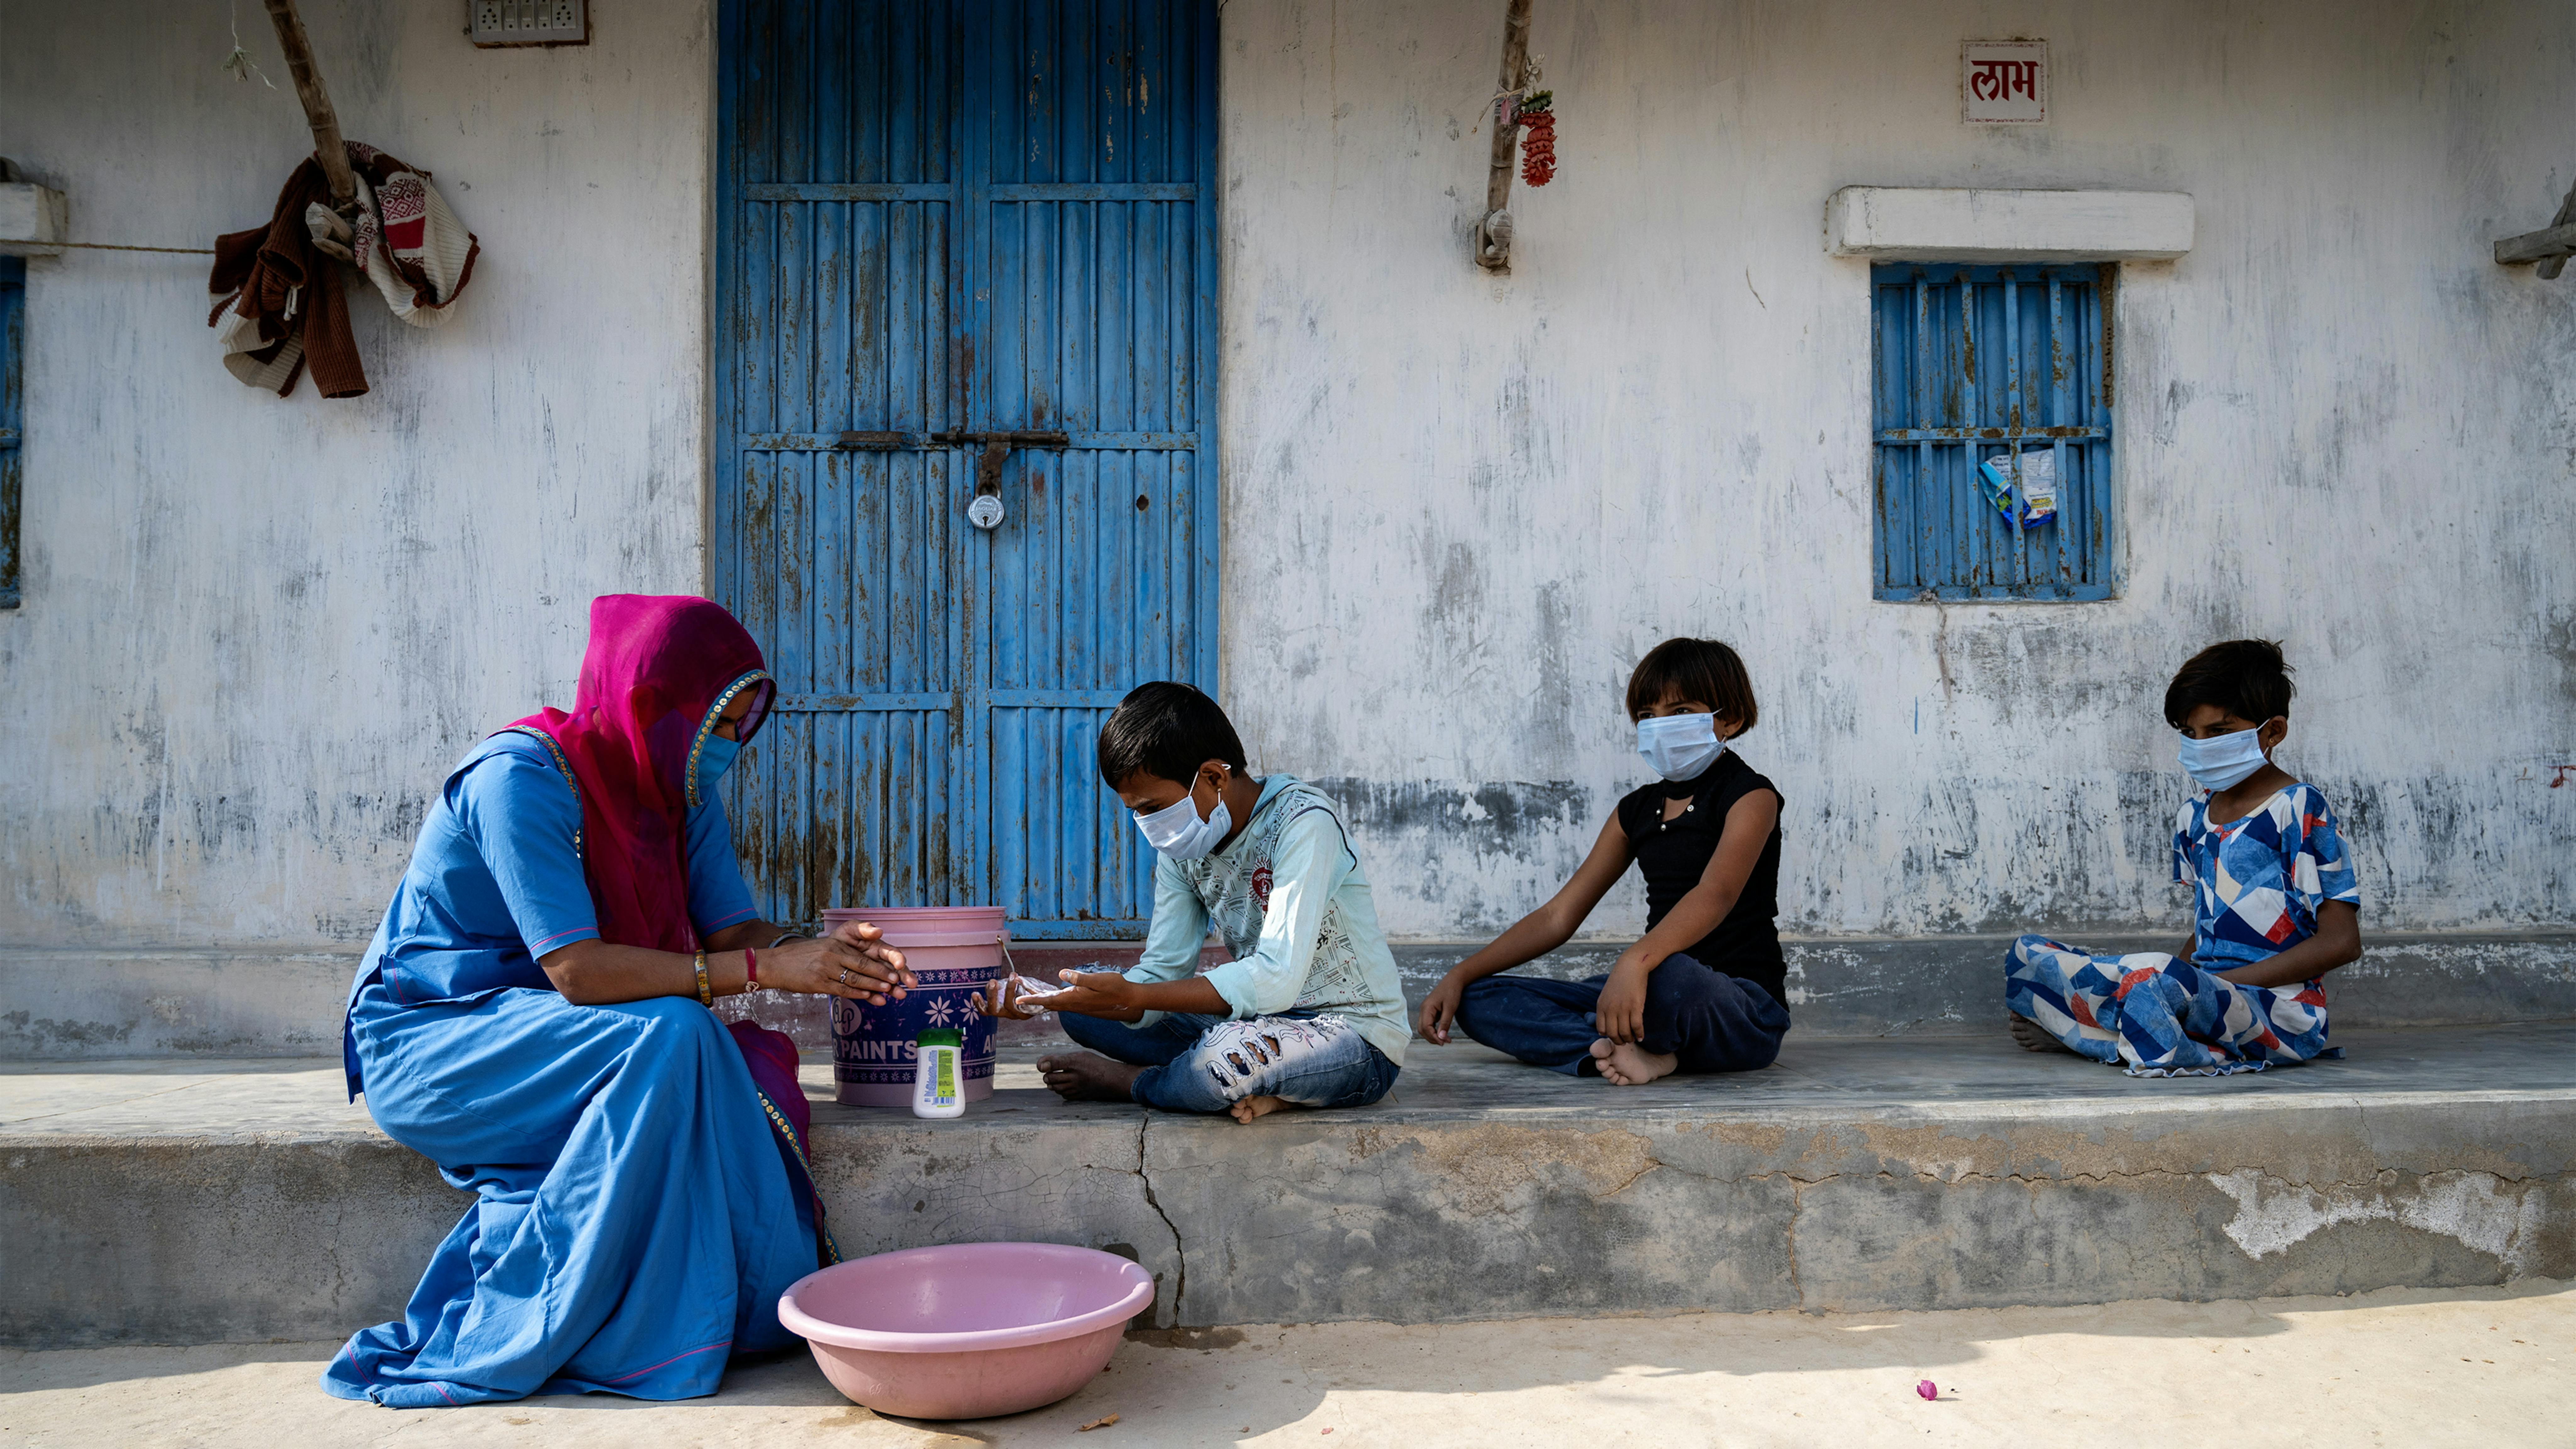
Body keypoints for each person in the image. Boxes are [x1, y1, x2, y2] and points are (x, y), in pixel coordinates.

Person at [324, 594, 916, 1408]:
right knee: (677, 1036)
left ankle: (734, 1312)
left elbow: (732, 929)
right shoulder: (519, 780)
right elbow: (577, 973)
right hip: (437, 1039)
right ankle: (623, 1335)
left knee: (728, 1060)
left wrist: (823, 958)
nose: (729, 748)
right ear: (652, 706)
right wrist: (765, 971)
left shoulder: (677, 797)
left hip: (567, 1038)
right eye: (717, 723)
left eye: (743, 725)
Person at [980, 682, 1406, 1124]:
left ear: (1214, 778)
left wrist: (1137, 994)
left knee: (1224, 1061)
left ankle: (1134, 1082)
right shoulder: (1185, 850)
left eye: (1153, 807)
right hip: (1258, 1024)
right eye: (1136, 812)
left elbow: (1277, 979)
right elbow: (1163, 971)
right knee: (1085, 1004)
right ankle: (1254, 1086)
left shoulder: (1304, 825)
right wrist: (1052, 999)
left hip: (1352, 1037)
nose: (1146, 825)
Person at [1418, 637, 1792, 1085]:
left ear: (1727, 718)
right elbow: (1559, 915)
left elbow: (1716, 894)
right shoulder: (1635, 811)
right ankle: (1621, 1049)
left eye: (1681, 712)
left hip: (1733, 1003)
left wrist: (1636, 962)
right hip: (1651, 983)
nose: (1660, 726)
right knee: (1481, 999)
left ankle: (1655, 1051)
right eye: (1648, 717)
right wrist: (1460, 974)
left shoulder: (1750, 796)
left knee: (1673, 975)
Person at [2003, 639, 2362, 1076]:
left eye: (2219, 732)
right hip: (2209, 996)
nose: (2201, 745)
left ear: (2273, 733)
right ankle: (2148, 1029)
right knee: (2030, 954)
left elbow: (2342, 942)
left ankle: (2097, 1040)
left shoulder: (2298, 808)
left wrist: (2208, 984)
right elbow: (2206, 928)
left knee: (2151, 976)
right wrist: (2180, 982)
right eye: (2191, 734)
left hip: (2280, 1012)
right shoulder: (2193, 816)